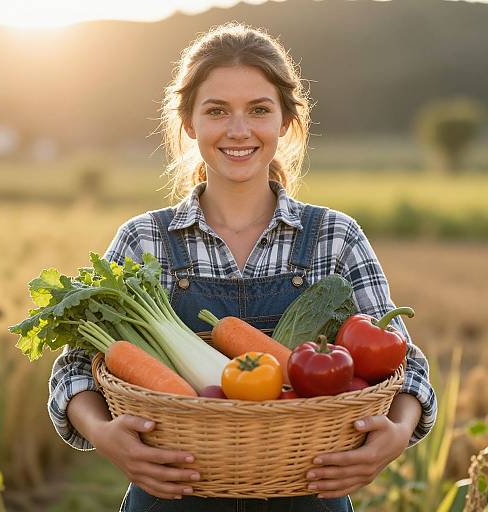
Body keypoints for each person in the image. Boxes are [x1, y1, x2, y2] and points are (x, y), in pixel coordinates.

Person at [48, 22, 437, 512]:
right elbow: (77, 367)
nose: (238, 130)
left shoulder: (336, 237)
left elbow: (407, 366)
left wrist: (397, 433)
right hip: (172, 492)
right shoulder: (144, 239)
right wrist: (105, 435)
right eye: (217, 111)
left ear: (285, 122)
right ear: (189, 123)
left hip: (307, 493)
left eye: (259, 110)